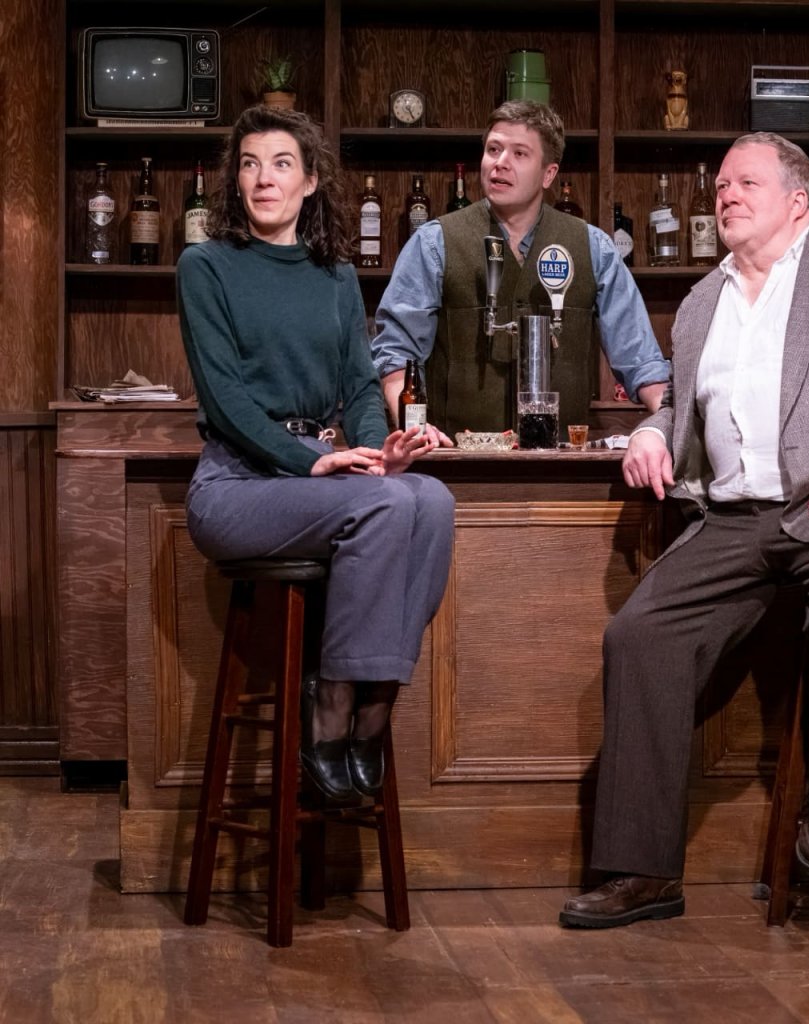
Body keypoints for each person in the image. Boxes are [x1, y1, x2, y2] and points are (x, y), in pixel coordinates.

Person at [559, 132, 809, 929]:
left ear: (797, 201)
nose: (725, 194)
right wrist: (652, 434)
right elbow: (682, 404)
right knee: (639, 635)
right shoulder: (704, 300)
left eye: (745, 182)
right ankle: (643, 873)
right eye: (719, 185)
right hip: (738, 518)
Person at [176, 105, 455, 803]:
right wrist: (313, 462)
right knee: (389, 506)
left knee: (432, 499)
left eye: (279, 164)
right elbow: (224, 400)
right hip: (237, 484)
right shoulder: (204, 265)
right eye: (248, 164)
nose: (262, 178)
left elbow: (361, 384)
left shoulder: (333, 275)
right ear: (234, 181)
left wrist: (373, 449)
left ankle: (375, 701)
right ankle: (331, 700)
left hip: (320, 472)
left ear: (309, 182)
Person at [371, 99, 670, 441]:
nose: (500, 163)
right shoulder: (434, 243)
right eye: (493, 149)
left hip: (560, 464)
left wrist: (667, 425)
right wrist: (415, 430)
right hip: (456, 460)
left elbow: (642, 361)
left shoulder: (593, 247)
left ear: (548, 174)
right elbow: (396, 354)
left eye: (519, 154)